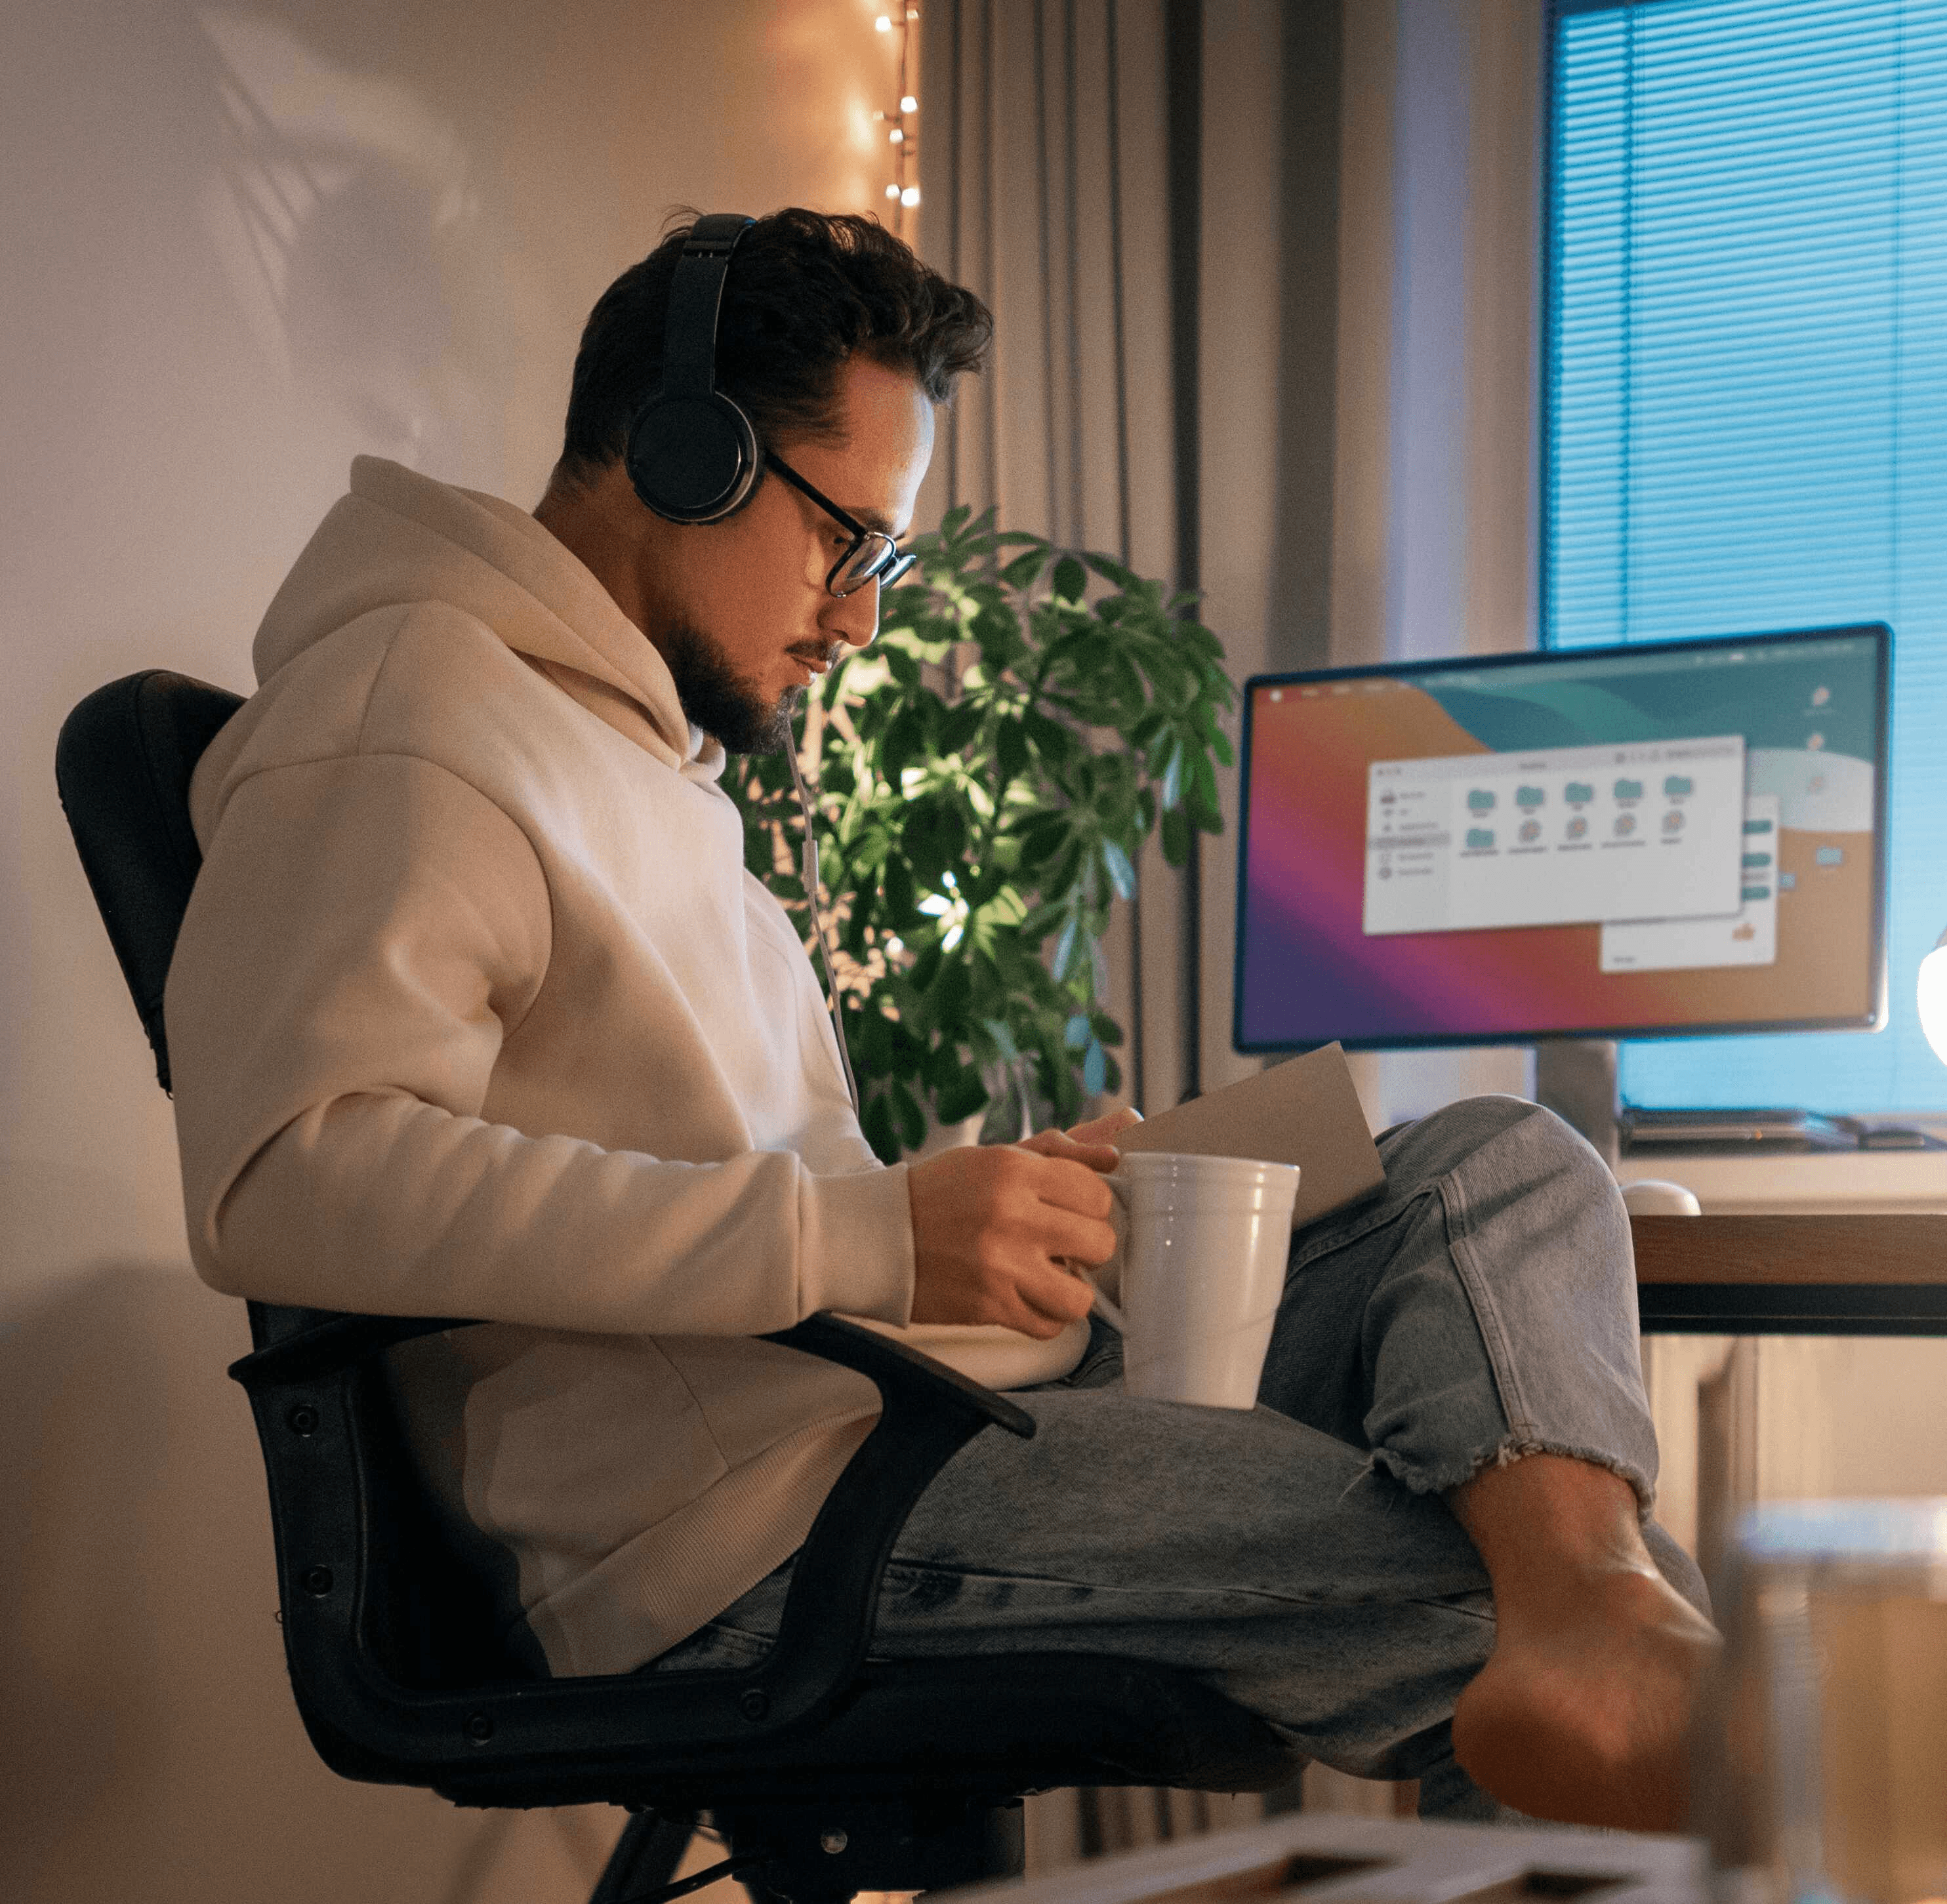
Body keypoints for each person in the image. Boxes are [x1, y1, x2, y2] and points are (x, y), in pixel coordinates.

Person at [166, 208, 1717, 1833]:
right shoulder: (408, 718)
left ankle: (1590, 1612)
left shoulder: (635, 756)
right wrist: (867, 1238)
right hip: (763, 1524)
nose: (856, 619)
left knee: (1498, 1167)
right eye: (848, 540)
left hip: (898, 1401)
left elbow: (748, 1187)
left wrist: (995, 1212)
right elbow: (294, 1173)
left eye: (878, 562)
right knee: (1479, 1586)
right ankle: (1583, 1632)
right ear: (683, 452)